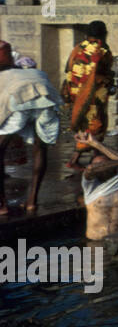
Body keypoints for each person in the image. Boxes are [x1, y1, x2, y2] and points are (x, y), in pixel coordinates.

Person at [0, 41, 61, 214]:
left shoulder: (5, 77)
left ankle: (2, 205)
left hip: (19, 97)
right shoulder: (28, 70)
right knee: (40, 148)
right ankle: (32, 202)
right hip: (45, 96)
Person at [62, 20, 114, 170]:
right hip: (94, 94)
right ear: (103, 34)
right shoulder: (102, 50)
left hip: (77, 94)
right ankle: (75, 159)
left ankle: (95, 157)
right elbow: (102, 72)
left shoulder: (78, 48)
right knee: (95, 125)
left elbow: (68, 68)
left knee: (85, 124)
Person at [76, 131, 118, 240]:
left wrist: (96, 143)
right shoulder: (90, 187)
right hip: (95, 242)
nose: (101, 168)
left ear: (113, 168)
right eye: (98, 165)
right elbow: (91, 169)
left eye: (104, 165)